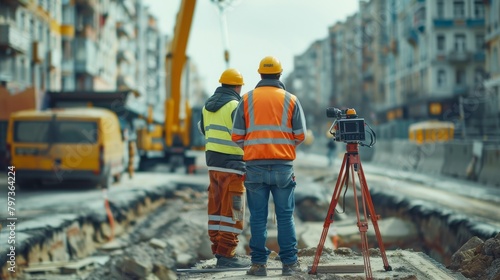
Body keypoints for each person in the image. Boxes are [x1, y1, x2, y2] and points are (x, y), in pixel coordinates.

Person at [231, 56, 307, 276]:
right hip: (283, 167)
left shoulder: (246, 99)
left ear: (260, 74)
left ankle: (258, 265)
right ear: (279, 74)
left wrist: (254, 148)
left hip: (255, 167)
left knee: (257, 218)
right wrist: (282, 147)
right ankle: (290, 265)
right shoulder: (291, 99)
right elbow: (300, 135)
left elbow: (236, 135)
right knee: (284, 217)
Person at [198, 68, 250, 268]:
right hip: (233, 166)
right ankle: (227, 254)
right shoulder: (235, 105)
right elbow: (242, 134)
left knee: (216, 209)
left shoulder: (206, 106)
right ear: (237, 86)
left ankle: (218, 250)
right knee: (234, 210)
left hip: (213, 164)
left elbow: (203, 129)